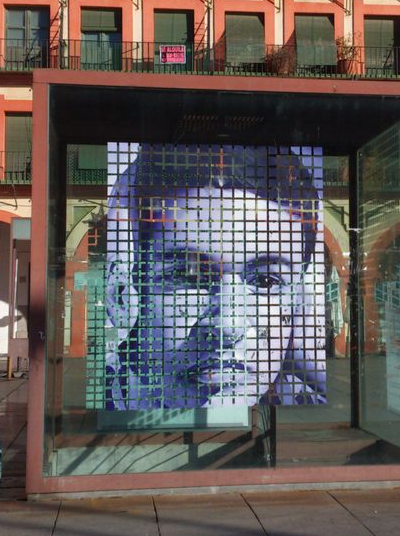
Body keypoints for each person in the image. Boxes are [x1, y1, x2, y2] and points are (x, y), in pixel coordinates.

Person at [103, 144, 327, 410]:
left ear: (299, 305)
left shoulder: (300, 398)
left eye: (266, 282)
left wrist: (313, 365)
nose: (227, 326)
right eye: (188, 276)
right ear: (120, 296)